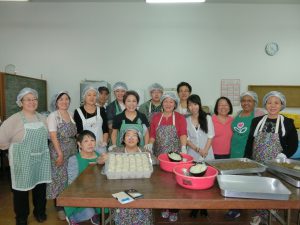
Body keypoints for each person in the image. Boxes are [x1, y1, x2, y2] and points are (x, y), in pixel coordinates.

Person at [245, 91, 298, 225]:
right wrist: (246, 159)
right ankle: (258, 214)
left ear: (282, 105)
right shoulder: (256, 121)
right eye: (269, 102)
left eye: (276, 103)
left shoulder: (287, 122)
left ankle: (272, 213)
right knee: (258, 190)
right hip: (257, 163)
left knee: (274, 190)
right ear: (265, 105)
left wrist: (283, 155)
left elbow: (293, 145)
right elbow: (250, 142)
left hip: (277, 165)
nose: (272, 106)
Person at [0, 87, 51, 225]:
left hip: (40, 159)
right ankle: (21, 217)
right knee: (21, 191)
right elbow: (2, 139)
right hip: (21, 160)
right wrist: (8, 151)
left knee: (40, 188)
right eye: (28, 99)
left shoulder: (42, 118)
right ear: (20, 102)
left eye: (34, 99)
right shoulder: (14, 119)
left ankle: (40, 212)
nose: (32, 102)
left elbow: (48, 136)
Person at [98, 126, 154, 225]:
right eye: (128, 135)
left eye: (134, 135)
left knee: (142, 206)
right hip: (119, 189)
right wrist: (102, 159)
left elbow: (155, 161)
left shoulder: (145, 152)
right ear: (123, 139)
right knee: (123, 209)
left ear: (138, 139)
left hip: (142, 189)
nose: (131, 138)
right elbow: (100, 161)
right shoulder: (116, 151)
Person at [147, 92, 187, 222]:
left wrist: (184, 147)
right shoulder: (156, 117)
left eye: (171, 102)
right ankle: (164, 207)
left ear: (175, 104)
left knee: (174, 184)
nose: (168, 104)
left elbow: (182, 134)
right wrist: (150, 144)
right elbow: (152, 133)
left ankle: (174, 209)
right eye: (166, 101)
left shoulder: (180, 117)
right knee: (161, 183)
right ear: (162, 103)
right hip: (159, 155)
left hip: (175, 156)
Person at [225, 91, 264, 220]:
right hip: (234, 152)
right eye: (244, 100)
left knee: (250, 183)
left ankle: (257, 211)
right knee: (235, 183)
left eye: (249, 100)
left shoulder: (259, 114)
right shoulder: (237, 114)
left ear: (255, 103)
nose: (246, 103)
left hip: (249, 153)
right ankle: (236, 208)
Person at [46, 91, 77, 221]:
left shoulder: (70, 114)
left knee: (69, 176)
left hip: (71, 149)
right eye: (61, 99)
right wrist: (59, 154)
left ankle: (69, 204)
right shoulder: (53, 116)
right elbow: (53, 136)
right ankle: (59, 207)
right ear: (56, 102)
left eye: (66, 99)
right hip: (58, 150)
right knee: (59, 179)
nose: (64, 102)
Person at [64, 130, 102, 225]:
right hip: (79, 193)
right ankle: (73, 217)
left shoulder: (99, 157)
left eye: (92, 140)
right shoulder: (74, 159)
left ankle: (94, 213)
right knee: (89, 212)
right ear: (79, 144)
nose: (90, 143)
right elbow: (72, 184)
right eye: (86, 141)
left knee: (107, 207)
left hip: (96, 191)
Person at [186, 94, 214, 218]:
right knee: (194, 181)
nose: (193, 107)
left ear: (199, 105)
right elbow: (186, 139)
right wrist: (198, 150)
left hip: (207, 154)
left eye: (195, 104)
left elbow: (211, 136)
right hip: (192, 154)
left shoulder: (207, 118)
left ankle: (205, 207)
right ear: (188, 107)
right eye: (190, 105)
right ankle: (194, 207)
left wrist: (205, 151)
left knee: (206, 182)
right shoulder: (186, 120)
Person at [74, 86, 109, 154]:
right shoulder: (78, 111)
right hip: (85, 148)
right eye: (89, 95)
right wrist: (82, 146)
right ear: (84, 97)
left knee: (101, 164)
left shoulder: (101, 110)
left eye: (94, 95)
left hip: (100, 146)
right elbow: (78, 132)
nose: (92, 97)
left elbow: (105, 129)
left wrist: (104, 142)